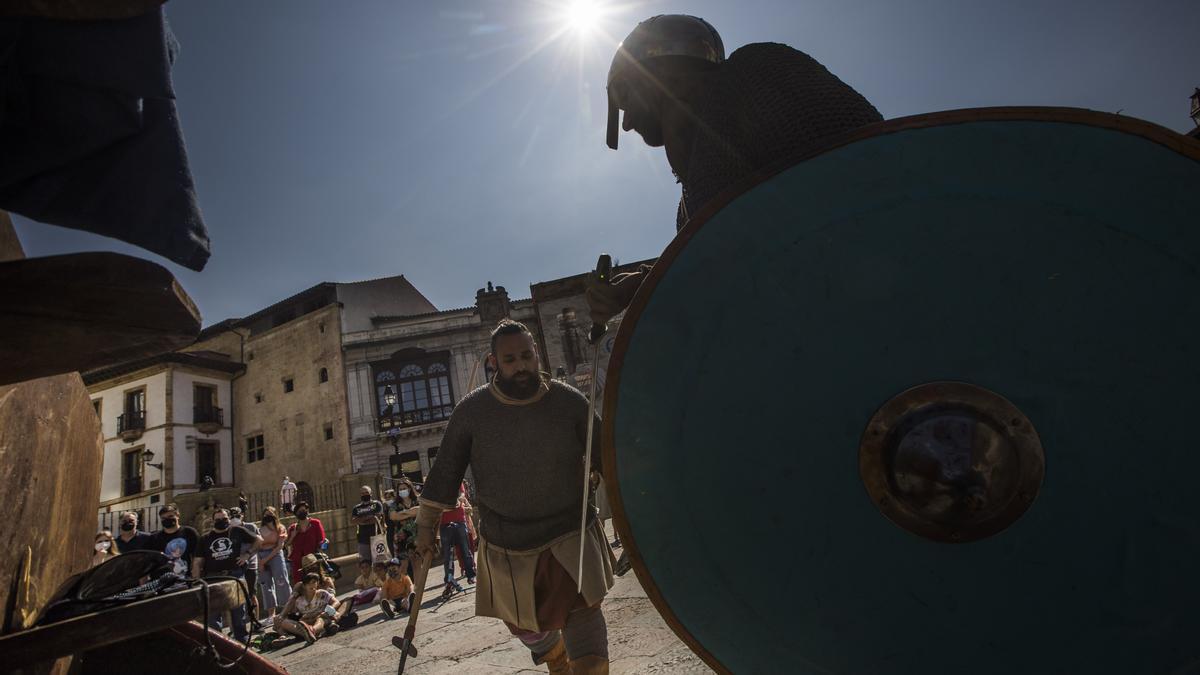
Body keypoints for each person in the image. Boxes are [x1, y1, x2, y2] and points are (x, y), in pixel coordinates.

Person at [587, 14, 884, 327]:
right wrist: (642, 288)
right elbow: (718, 270)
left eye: (625, 96)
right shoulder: (687, 208)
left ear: (653, 75)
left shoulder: (758, 72)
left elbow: (870, 177)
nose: (627, 122)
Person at [414, 320, 615, 674]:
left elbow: (606, 453)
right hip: (507, 542)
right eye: (510, 359)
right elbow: (445, 471)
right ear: (495, 362)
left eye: (526, 355)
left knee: (583, 614)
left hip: (571, 533)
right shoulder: (472, 412)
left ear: (536, 352)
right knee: (526, 626)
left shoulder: (567, 400)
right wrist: (426, 528)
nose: (520, 365)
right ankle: (556, 658)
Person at [192, 508, 263, 642]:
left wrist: (247, 554)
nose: (221, 521)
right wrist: (196, 581)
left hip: (234, 576)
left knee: (238, 615)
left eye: (224, 519)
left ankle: (242, 642)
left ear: (229, 519)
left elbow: (259, 540)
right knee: (213, 617)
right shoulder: (205, 538)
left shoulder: (236, 531)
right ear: (213, 521)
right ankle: (219, 645)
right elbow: (197, 562)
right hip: (213, 578)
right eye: (218, 519)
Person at [275, 572, 347, 644]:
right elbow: (292, 611)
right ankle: (301, 635)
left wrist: (326, 611)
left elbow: (336, 602)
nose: (312, 585)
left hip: (321, 617)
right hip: (306, 622)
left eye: (314, 582)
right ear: (304, 586)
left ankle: (313, 631)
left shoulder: (322, 593)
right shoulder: (299, 601)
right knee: (283, 622)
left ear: (317, 583)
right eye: (309, 583)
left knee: (320, 620)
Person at [439, 482, 476, 595]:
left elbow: (462, 495)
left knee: (465, 549)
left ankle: (470, 575)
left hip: (459, 520)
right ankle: (449, 582)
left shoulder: (457, 479)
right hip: (444, 523)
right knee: (447, 555)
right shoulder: (438, 482)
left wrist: (455, 500)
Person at [256, 507, 290, 626]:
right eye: (266, 514)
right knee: (266, 586)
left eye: (270, 514)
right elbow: (256, 546)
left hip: (275, 554)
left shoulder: (280, 528)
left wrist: (266, 559)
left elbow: (280, 546)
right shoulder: (259, 530)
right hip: (261, 557)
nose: (268, 516)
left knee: (281, 581)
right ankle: (271, 614)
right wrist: (260, 562)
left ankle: (287, 609)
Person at [151, 503, 200, 577]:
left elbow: (197, 557)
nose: (167, 519)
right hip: (164, 581)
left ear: (177, 516)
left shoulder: (189, 532)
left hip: (187, 579)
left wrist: (195, 577)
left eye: (170, 516)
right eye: (163, 518)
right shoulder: (155, 538)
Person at [228, 507, 260, 621]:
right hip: (235, 566)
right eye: (232, 517)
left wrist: (248, 555)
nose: (234, 519)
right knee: (233, 597)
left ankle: (255, 621)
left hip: (251, 565)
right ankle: (233, 627)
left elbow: (259, 543)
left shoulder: (251, 527)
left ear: (242, 516)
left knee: (251, 595)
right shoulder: (228, 529)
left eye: (237, 516)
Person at [285, 501, 324, 583]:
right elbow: (286, 544)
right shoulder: (293, 528)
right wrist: (293, 535)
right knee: (299, 584)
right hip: (298, 561)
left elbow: (321, 540)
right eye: (299, 511)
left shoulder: (315, 523)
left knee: (315, 582)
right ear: (296, 514)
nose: (302, 512)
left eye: (304, 510)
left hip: (312, 559)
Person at [389, 477, 420, 575]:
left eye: (404, 488)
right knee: (403, 565)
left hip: (417, 535)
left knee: (417, 563)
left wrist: (403, 513)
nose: (402, 491)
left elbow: (420, 510)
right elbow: (393, 516)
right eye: (400, 489)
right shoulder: (395, 504)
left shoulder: (417, 500)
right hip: (401, 538)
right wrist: (411, 512)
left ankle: (418, 588)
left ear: (409, 489)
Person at [350, 485, 384, 563]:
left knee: (380, 563)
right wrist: (368, 517)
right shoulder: (356, 508)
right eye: (362, 493)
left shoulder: (377, 504)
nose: (364, 494)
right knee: (365, 564)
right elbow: (352, 521)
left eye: (366, 492)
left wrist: (361, 520)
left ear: (371, 493)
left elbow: (376, 519)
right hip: (363, 540)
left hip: (377, 538)